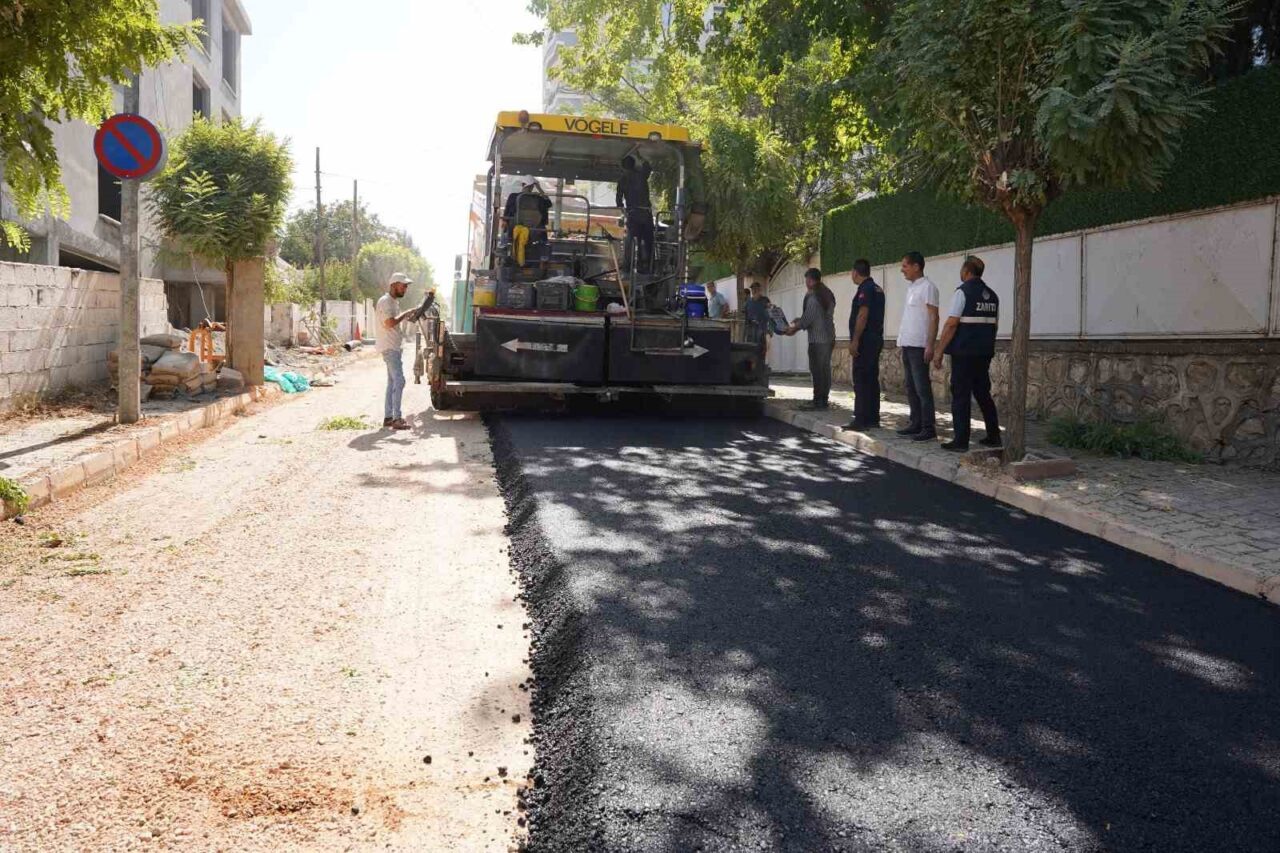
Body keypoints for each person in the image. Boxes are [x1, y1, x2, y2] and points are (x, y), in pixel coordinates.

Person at [934, 256, 1002, 451]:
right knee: (982, 393)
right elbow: (994, 326)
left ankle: (961, 440)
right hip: (984, 353)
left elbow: (951, 323)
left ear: (966, 271)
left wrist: (939, 351)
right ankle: (994, 435)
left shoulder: (962, 292)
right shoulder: (993, 295)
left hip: (964, 353)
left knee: (961, 394)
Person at [896, 251, 940, 441]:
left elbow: (933, 317)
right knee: (911, 386)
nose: (902, 270)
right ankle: (915, 423)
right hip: (907, 343)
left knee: (922, 387)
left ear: (916, 266)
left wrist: (930, 344)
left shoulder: (928, 287)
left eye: (905, 266)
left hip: (919, 345)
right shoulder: (912, 288)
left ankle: (928, 428)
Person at [782, 267, 837, 410]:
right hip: (829, 337)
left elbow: (808, 319)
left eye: (806, 280)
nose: (805, 283)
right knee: (825, 370)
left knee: (817, 370)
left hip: (818, 340)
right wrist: (798, 322)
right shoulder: (827, 293)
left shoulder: (814, 297)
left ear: (811, 280)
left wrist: (793, 328)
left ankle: (818, 401)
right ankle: (823, 399)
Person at [845, 259, 885, 430]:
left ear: (855, 272)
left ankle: (860, 419)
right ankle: (873, 418)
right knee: (871, 379)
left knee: (861, 379)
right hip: (875, 339)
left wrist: (855, 340)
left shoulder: (865, 289)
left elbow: (863, 314)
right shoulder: (877, 288)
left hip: (865, 341)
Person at [376, 273, 417, 430]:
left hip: (393, 347)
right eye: (403, 285)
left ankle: (388, 417)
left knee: (392, 382)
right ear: (394, 285)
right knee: (399, 381)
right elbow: (389, 323)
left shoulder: (392, 302)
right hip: (389, 348)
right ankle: (397, 419)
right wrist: (406, 314)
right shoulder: (386, 301)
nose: (406, 288)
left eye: (406, 286)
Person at [616, 155, 654, 272]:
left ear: (623, 168)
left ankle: (627, 267)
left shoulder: (622, 179)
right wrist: (640, 155)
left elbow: (619, 200)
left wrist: (624, 211)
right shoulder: (641, 175)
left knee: (630, 239)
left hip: (633, 213)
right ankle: (648, 266)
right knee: (648, 240)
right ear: (633, 166)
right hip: (646, 213)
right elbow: (647, 165)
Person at [744, 281, 773, 357]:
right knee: (750, 350)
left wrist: (770, 330)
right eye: (753, 289)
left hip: (762, 328)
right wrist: (746, 330)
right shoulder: (748, 302)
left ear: (760, 290)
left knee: (761, 350)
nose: (754, 291)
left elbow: (770, 315)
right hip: (751, 328)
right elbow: (746, 317)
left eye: (756, 289)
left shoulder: (765, 300)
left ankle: (761, 366)